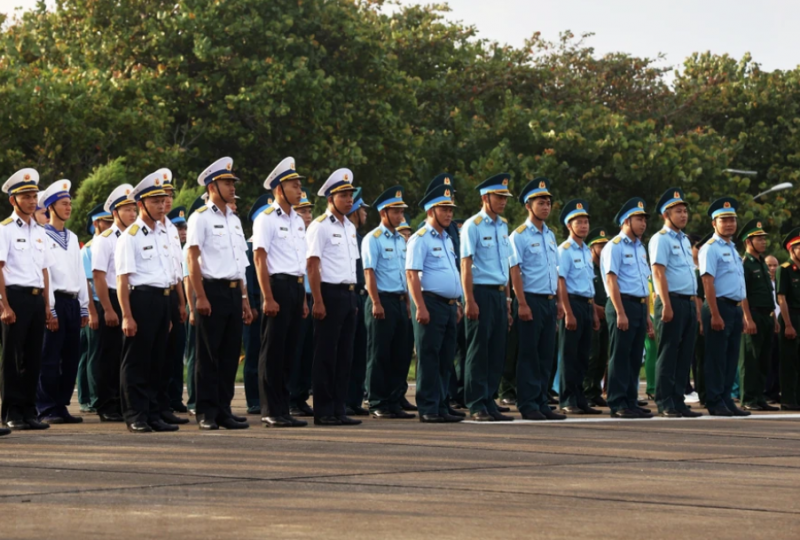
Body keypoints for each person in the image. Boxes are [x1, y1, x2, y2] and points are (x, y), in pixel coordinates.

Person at [186, 157, 253, 431]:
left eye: (232, 183)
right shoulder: (200, 218)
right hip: (211, 290)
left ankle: (224, 409)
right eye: (226, 183)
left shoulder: (234, 220)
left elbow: (240, 263)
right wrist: (200, 296)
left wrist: (245, 299)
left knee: (229, 355)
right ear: (212, 186)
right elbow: (192, 259)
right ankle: (206, 411)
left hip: (234, 292)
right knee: (208, 355)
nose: (232, 187)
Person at [115, 172, 176, 433]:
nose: (161, 206)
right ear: (141, 204)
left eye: (163, 201)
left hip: (162, 300)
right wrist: (127, 316)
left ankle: (152, 413)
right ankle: (135, 414)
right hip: (141, 300)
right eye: (155, 202)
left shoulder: (162, 233)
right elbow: (122, 280)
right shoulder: (130, 236)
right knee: (136, 361)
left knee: (156, 360)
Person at [252, 157, 309, 428]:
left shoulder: (297, 220)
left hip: (296, 287)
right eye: (293, 186)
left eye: (299, 185)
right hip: (277, 286)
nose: (299, 190)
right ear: (279, 189)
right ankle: (270, 409)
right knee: (273, 351)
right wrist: (267, 297)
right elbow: (259, 259)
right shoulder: (266, 219)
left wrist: (304, 298)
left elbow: (300, 261)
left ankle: (283, 408)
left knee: (289, 351)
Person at [306, 168, 361, 426]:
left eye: (351, 195)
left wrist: (354, 299)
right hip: (328, 293)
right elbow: (312, 265)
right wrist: (317, 300)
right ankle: (324, 411)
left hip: (348, 294)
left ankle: (339, 408)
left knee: (345, 355)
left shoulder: (349, 227)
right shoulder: (320, 226)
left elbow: (352, 266)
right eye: (344, 195)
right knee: (326, 355)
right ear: (331, 198)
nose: (350, 200)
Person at [0, 168, 54, 432]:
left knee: (33, 358)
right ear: (13, 200)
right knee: (13, 358)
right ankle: (11, 411)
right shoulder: (5, 229)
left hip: (35, 298)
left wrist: (47, 305)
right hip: (15, 297)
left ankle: (29, 411)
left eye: (34, 196)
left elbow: (44, 270)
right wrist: (4, 305)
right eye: (27, 197)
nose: (33, 201)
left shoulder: (40, 231)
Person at [406, 184, 464, 423]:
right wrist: (420, 307)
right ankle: (428, 407)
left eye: (450, 209)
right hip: (430, 303)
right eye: (444, 209)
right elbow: (412, 274)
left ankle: (441, 404)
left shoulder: (447, 238)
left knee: (445, 357)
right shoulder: (420, 239)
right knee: (429, 356)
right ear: (431, 211)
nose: (449, 214)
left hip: (448, 305)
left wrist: (456, 303)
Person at [508, 178, 565, 420]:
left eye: (548, 203)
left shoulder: (550, 235)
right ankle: (528, 403)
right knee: (528, 354)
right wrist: (521, 303)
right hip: (530, 300)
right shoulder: (519, 235)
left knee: (545, 355)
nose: (546, 207)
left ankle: (542, 402)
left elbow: (555, 271)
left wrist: (559, 302)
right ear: (528, 206)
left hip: (549, 301)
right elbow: (515, 270)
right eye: (540, 203)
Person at [460, 173, 514, 422]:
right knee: (478, 349)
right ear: (485, 198)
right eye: (498, 196)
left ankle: (489, 399)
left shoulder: (503, 226)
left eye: (505, 197)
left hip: (499, 294)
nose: (503, 201)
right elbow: (466, 264)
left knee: (496, 349)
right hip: (480, 292)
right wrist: (469, 299)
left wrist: (508, 300)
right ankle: (476, 403)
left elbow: (505, 265)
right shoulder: (472, 225)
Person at [36, 180, 90, 424]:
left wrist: (84, 306)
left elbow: (80, 272)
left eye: (69, 203)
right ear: (50, 207)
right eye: (63, 204)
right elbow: (44, 273)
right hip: (55, 299)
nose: (68, 207)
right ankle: (46, 406)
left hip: (72, 301)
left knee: (70, 356)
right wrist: (50, 308)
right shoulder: (42, 235)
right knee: (50, 356)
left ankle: (61, 404)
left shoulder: (73, 237)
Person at [648, 188, 702, 418]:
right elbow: (658, 273)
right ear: (666, 215)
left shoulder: (684, 240)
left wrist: (695, 307)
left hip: (687, 301)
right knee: (668, 353)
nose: (683, 215)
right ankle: (665, 401)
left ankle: (678, 400)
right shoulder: (660, 239)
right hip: (671, 301)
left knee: (684, 355)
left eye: (684, 211)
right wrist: (666, 303)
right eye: (678, 211)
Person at [362, 186, 414, 419]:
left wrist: (408, 302)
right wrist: (375, 302)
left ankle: (394, 401)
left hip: (400, 301)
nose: (400, 216)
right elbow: (369, 272)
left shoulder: (401, 240)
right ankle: (377, 401)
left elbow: (405, 274)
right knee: (379, 353)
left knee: (399, 353)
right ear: (384, 213)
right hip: (381, 299)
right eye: (396, 212)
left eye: (401, 211)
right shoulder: (373, 239)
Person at [601, 197, 654, 419]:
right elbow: (611, 280)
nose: (643, 223)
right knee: (620, 356)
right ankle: (617, 402)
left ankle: (631, 401)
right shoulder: (614, 246)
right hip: (622, 304)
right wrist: (620, 312)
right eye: (638, 219)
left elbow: (644, 282)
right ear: (626, 221)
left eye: (644, 219)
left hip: (639, 306)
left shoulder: (640, 247)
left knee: (634, 357)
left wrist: (647, 315)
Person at [699, 197, 752, 417]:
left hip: (734, 308)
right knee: (716, 358)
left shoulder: (732, 249)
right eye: (724, 220)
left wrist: (742, 314)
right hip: (718, 306)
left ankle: (726, 398)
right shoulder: (710, 249)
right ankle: (714, 400)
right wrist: (714, 313)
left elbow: (738, 283)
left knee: (730, 358)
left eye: (732, 220)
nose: (729, 224)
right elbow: (707, 282)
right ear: (714, 223)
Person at [91, 184, 137, 423]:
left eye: (134, 209)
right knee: (107, 356)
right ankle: (106, 404)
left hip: (129, 298)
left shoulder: (134, 236)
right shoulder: (105, 239)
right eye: (127, 209)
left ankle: (122, 402)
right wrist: (108, 308)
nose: (133, 214)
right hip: (110, 299)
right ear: (115, 212)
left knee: (126, 355)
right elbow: (98, 276)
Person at [149, 172, 189, 427]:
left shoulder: (171, 229)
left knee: (173, 353)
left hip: (173, 295)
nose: (167, 200)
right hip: (154, 295)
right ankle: (153, 406)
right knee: (156, 355)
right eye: (163, 196)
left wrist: (182, 303)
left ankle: (166, 404)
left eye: (170, 195)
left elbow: (177, 269)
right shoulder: (148, 229)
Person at [556, 198, 601, 415]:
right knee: (569, 355)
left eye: (586, 222)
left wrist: (593, 313)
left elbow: (588, 284)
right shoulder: (564, 250)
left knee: (584, 355)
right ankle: (567, 399)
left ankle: (580, 397)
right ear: (569, 225)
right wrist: (567, 311)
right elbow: (561, 282)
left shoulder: (585, 251)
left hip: (586, 304)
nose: (584, 226)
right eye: (579, 222)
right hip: (572, 303)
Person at [737, 219, 779, 411]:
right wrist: (747, 318)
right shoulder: (745, 264)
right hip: (753, 314)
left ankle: (759, 396)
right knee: (750, 359)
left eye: (764, 239)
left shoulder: (762, 263)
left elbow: (769, 294)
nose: (763, 242)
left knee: (764, 358)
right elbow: (743, 293)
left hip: (767, 315)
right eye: (759, 239)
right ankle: (748, 398)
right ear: (748, 241)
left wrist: (774, 318)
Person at [77, 204, 113, 414]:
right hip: (95, 304)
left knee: (105, 352)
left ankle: (101, 395)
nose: (110, 226)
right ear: (96, 224)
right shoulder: (88, 249)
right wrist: (91, 311)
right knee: (93, 353)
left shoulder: (114, 243)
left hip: (110, 302)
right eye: (106, 222)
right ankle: (88, 397)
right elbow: (87, 283)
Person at [243, 193, 271, 415]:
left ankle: (267, 397)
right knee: (253, 354)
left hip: (270, 307)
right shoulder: (248, 247)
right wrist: (251, 306)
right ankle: (253, 398)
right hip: (254, 309)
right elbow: (248, 281)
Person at [289, 191, 316, 417]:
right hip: (297, 296)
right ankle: (290, 397)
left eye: (309, 211)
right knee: (294, 350)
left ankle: (301, 396)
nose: (307, 216)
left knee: (308, 350)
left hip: (311, 296)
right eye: (303, 211)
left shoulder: (311, 237)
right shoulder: (292, 237)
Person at [344, 187, 370, 416]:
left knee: (360, 350)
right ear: (355, 211)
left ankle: (354, 400)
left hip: (361, 297)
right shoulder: (345, 235)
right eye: (363, 210)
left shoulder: (360, 239)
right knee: (346, 351)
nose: (365, 214)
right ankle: (344, 400)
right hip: (347, 294)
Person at [166, 205, 189, 412]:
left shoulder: (180, 249)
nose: (183, 232)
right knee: (165, 351)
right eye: (178, 228)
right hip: (164, 295)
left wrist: (183, 304)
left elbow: (180, 279)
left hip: (176, 297)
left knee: (177, 349)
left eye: (184, 228)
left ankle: (175, 397)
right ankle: (164, 399)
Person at [583, 227, 610, 407]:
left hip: (606, 314)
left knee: (602, 355)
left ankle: (595, 391)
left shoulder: (606, 267)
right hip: (592, 314)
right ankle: (586, 391)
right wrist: (595, 308)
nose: (604, 249)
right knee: (591, 355)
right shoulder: (588, 266)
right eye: (600, 246)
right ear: (592, 248)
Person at [776, 227, 800, 410]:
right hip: (790, 316)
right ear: (792, 249)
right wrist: (788, 325)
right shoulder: (784, 269)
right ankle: (788, 399)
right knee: (789, 360)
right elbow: (781, 299)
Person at [765, 254, 782, 403]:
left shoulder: (780, 283)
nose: (772, 268)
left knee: (778, 360)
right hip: (768, 323)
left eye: (775, 265)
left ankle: (775, 391)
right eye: (769, 265)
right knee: (767, 360)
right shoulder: (763, 283)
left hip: (782, 324)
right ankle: (766, 392)